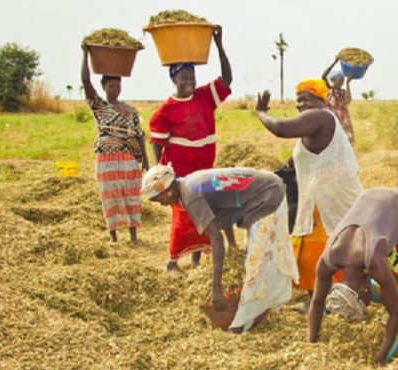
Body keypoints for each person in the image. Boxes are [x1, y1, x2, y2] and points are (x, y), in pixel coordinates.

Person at [141, 164, 298, 332]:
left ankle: (242, 322)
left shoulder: (191, 196)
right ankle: (257, 309)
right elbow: (221, 210)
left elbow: (216, 238)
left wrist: (217, 287)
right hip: (266, 189)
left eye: (159, 199)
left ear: (168, 190)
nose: (162, 205)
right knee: (260, 257)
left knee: (259, 260)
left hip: (268, 197)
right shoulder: (188, 184)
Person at [255, 79, 363, 313]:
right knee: (309, 252)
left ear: (321, 99)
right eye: (298, 100)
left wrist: (261, 112)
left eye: (305, 98)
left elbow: (281, 128)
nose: (300, 104)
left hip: (332, 199)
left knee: (328, 250)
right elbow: (297, 161)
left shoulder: (321, 116)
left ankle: (334, 300)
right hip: (318, 198)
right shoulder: (313, 126)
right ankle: (316, 299)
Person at [149, 24, 234, 275]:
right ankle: (172, 262)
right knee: (183, 217)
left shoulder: (204, 96)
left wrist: (219, 45)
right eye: (183, 77)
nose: (189, 81)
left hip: (204, 170)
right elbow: (157, 143)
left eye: (192, 77)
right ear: (174, 79)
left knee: (204, 214)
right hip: (181, 175)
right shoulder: (166, 110)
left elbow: (227, 80)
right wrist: (161, 172)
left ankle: (196, 261)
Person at [307, 188, 398, 365]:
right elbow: (317, 301)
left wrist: (381, 358)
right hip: (369, 197)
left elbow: (395, 313)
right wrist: (311, 344)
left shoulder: (375, 262)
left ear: (362, 290)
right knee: (382, 275)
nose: (369, 305)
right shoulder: (327, 259)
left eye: (365, 304)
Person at [81, 44, 149, 243]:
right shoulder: (100, 106)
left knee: (131, 194)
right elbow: (85, 81)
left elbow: (139, 135)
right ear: (103, 88)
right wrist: (85, 54)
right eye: (111, 86)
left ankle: (133, 235)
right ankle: (113, 237)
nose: (115, 89)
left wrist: (145, 160)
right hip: (107, 158)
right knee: (110, 195)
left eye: (118, 86)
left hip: (129, 158)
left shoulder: (130, 110)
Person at [322, 57, 354, 145]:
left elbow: (348, 101)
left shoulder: (343, 92)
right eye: (339, 79)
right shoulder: (329, 89)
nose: (341, 81)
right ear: (333, 80)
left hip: (343, 120)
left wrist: (348, 83)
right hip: (331, 119)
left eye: (342, 80)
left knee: (343, 142)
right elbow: (324, 76)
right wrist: (334, 62)